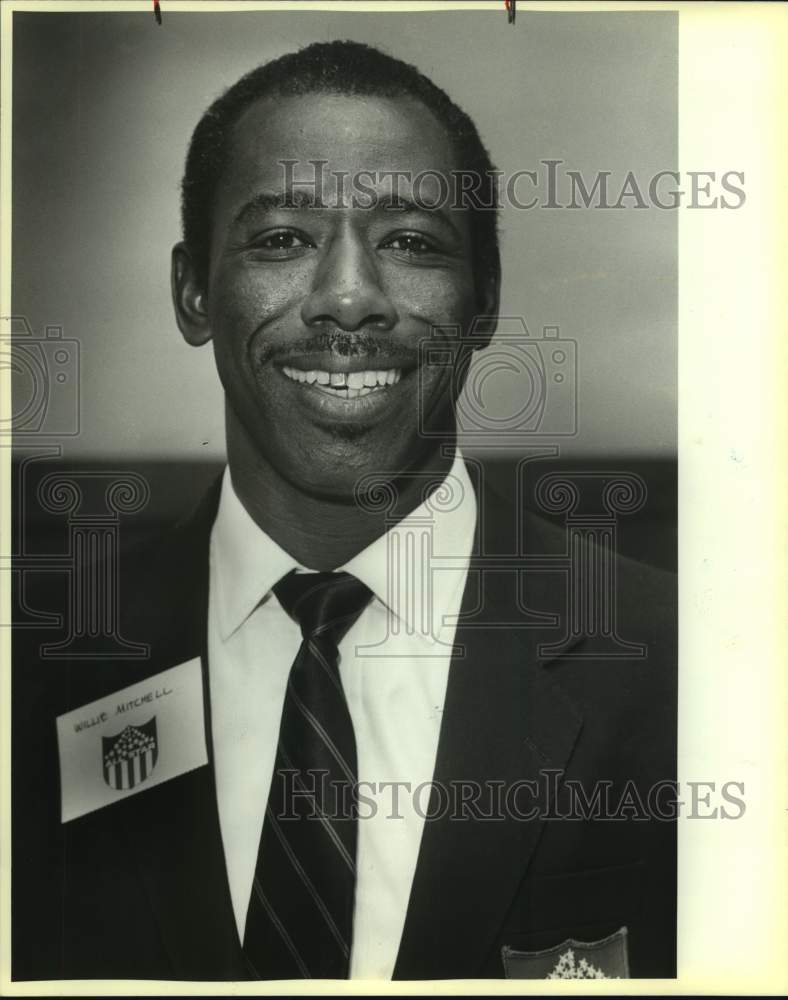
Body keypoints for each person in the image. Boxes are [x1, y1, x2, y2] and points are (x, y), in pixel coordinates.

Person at [12, 40, 676, 981]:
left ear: (484, 298)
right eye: (282, 239)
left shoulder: (680, 665)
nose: (350, 299)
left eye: (410, 242)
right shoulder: (38, 666)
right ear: (193, 289)